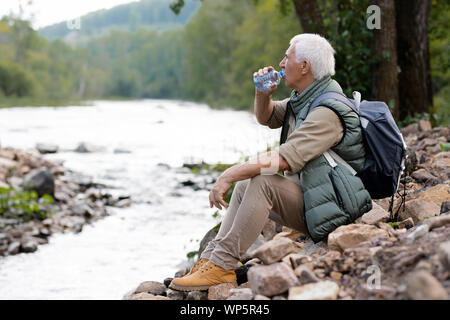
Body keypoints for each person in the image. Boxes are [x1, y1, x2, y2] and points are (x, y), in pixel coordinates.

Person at [169, 33, 372, 292]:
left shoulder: (327, 112)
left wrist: (229, 173)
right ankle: (211, 261)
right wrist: (262, 94)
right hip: (318, 199)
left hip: (337, 208)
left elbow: (283, 160)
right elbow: (268, 116)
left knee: (262, 181)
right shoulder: (307, 98)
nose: (281, 62)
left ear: (305, 66)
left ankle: (222, 267)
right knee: (245, 186)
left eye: (287, 57)